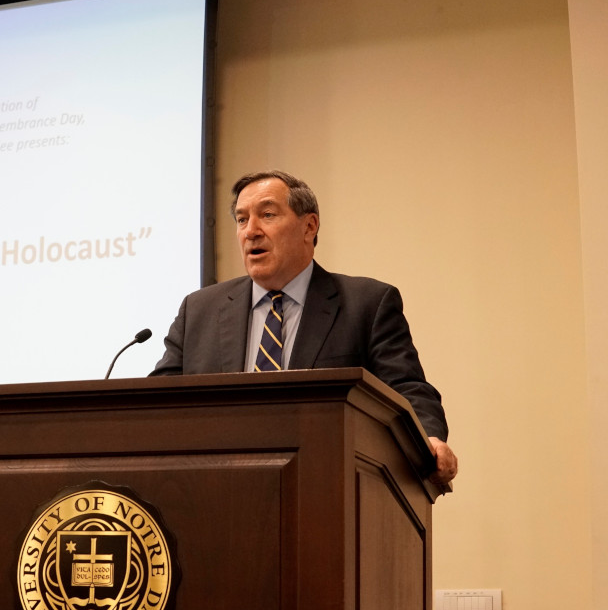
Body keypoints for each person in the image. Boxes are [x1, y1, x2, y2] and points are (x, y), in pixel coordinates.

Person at [150, 170, 457, 485]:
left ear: (309, 226)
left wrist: (429, 439)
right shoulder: (200, 310)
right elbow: (156, 404)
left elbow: (407, 388)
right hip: (214, 490)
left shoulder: (366, 304)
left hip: (324, 486)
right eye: (241, 220)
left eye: (267, 215)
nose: (250, 231)